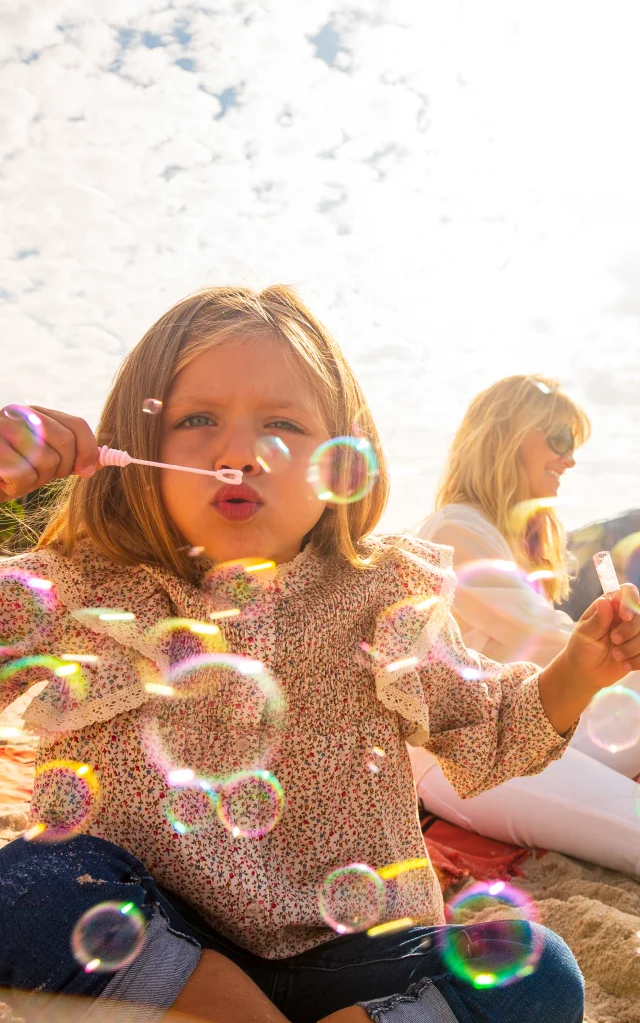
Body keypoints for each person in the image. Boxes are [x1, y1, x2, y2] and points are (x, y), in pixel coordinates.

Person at [4, 293, 634, 1023]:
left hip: (357, 962)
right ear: (129, 449)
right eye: (196, 419)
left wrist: (581, 669)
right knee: (27, 884)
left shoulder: (379, 594)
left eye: (282, 424)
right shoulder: (82, 587)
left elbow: (492, 728)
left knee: (538, 969)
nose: (237, 452)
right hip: (161, 958)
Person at [412, 374, 640, 875]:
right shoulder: (453, 531)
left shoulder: (496, 534)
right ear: (506, 435)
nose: (570, 458)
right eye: (560, 439)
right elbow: (543, 641)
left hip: (523, 730)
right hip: (463, 753)